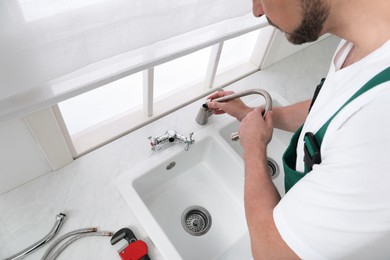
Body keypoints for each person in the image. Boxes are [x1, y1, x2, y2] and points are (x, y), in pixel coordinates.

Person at [207, 0, 390, 259]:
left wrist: (254, 149)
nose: (257, 10)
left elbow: (270, 253)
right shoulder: (362, 41)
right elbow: (327, 110)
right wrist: (251, 115)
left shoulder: (380, 126)